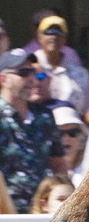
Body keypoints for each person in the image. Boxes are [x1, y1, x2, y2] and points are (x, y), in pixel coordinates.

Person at [0, 49, 65, 212]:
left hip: (40, 213)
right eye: (23, 73)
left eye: (33, 72)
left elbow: (58, 164)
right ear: (3, 79)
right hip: (5, 218)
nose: (31, 79)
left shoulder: (44, 115)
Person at [31, 15, 89, 116]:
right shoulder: (29, 68)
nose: (53, 37)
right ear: (39, 37)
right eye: (48, 33)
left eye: (58, 33)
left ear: (64, 38)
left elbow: (87, 109)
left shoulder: (80, 73)